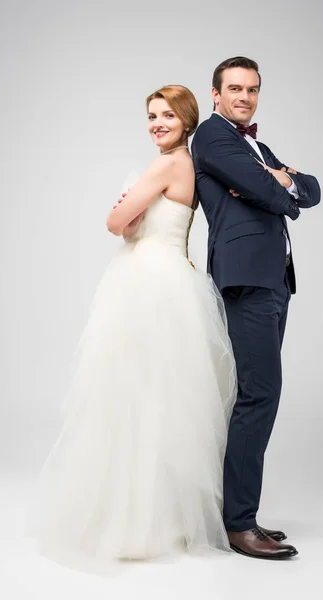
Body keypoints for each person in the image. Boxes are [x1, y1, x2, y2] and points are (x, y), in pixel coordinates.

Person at [32, 85, 237, 568]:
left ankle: (135, 520)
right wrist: (129, 218)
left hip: (146, 281)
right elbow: (133, 223)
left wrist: (123, 211)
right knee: (162, 399)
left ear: (187, 120)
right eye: (151, 116)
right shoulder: (187, 165)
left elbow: (116, 222)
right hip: (173, 280)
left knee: (131, 394)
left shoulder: (166, 164)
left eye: (167, 115)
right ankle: (163, 519)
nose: (157, 124)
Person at [192, 56, 321, 560]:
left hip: (274, 280)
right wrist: (277, 183)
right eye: (235, 89)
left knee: (256, 394)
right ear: (216, 94)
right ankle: (238, 523)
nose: (244, 97)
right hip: (245, 278)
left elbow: (312, 188)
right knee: (259, 395)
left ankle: (242, 516)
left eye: (253, 89)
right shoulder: (212, 137)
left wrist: (278, 178)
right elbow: (277, 193)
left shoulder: (256, 145)